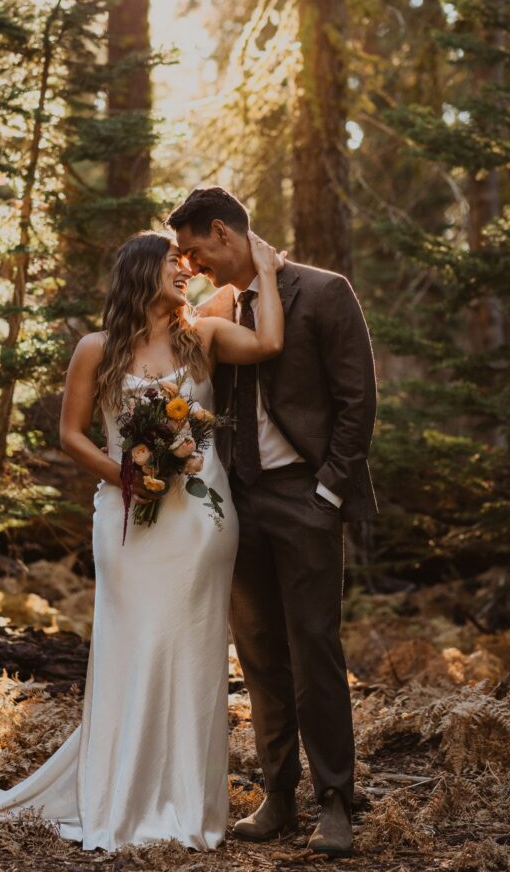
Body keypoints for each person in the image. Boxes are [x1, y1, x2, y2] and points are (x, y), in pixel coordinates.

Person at [0, 228, 285, 853]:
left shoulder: (200, 334)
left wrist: (265, 269)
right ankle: (122, 795)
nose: (186, 270)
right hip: (126, 517)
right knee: (133, 645)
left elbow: (270, 342)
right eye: (173, 262)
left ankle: (186, 800)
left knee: (193, 653)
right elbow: (71, 436)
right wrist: (126, 475)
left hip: (202, 520)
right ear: (141, 273)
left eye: (187, 263)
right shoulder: (97, 348)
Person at [167, 186, 378, 858]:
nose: (193, 266)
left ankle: (336, 802)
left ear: (224, 233)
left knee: (314, 646)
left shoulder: (324, 292)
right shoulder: (217, 309)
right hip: (235, 502)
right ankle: (279, 795)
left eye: (198, 252)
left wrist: (330, 492)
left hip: (303, 497)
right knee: (258, 655)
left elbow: (356, 402)